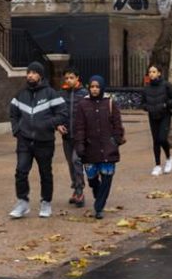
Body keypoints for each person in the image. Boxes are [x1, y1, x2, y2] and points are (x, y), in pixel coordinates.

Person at [9, 61, 67, 218]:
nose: (30, 75)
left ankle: (46, 203)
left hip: (45, 141)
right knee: (21, 172)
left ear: (40, 75)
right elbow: (13, 114)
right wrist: (17, 131)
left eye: (34, 73)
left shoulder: (51, 93)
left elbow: (62, 114)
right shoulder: (20, 95)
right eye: (28, 72)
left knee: (45, 173)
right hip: (25, 141)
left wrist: (47, 125)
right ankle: (22, 202)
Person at [71, 75, 125, 219]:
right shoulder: (83, 105)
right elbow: (80, 127)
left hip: (108, 149)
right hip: (90, 149)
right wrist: (80, 145)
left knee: (107, 178)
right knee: (92, 179)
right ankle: (97, 194)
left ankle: (99, 207)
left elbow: (117, 124)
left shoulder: (110, 103)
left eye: (97, 87)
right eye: (92, 87)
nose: (95, 89)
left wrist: (116, 140)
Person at [142, 64, 172, 175]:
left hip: (165, 115)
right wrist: (147, 107)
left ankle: (169, 158)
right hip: (152, 116)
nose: (151, 74)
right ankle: (157, 165)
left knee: (162, 139)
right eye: (150, 72)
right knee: (155, 140)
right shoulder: (146, 88)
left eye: (154, 72)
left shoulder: (166, 85)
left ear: (159, 73)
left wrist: (165, 105)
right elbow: (142, 103)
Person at [58, 69, 88, 206]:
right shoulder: (62, 94)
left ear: (77, 78)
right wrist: (58, 125)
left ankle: (80, 191)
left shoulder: (84, 94)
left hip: (80, 136)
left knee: (77, 161)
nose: (69, 80)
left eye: (71, 77)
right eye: (67, 78)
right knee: (71, 163)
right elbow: (57, 113)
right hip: (66, 136)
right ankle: (76, 189)